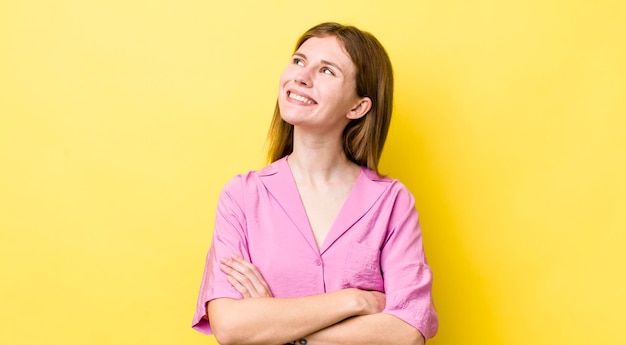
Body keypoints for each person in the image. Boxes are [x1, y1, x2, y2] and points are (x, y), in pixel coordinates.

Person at [192, 22, 438, 344]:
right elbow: (231, 327)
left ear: (358, 106)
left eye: (327, 71)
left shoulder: (393, 202)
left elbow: (406, 333)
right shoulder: (242, 195)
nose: (301, 77)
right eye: (298, 61)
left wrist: (276, 325)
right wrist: (353, 300)